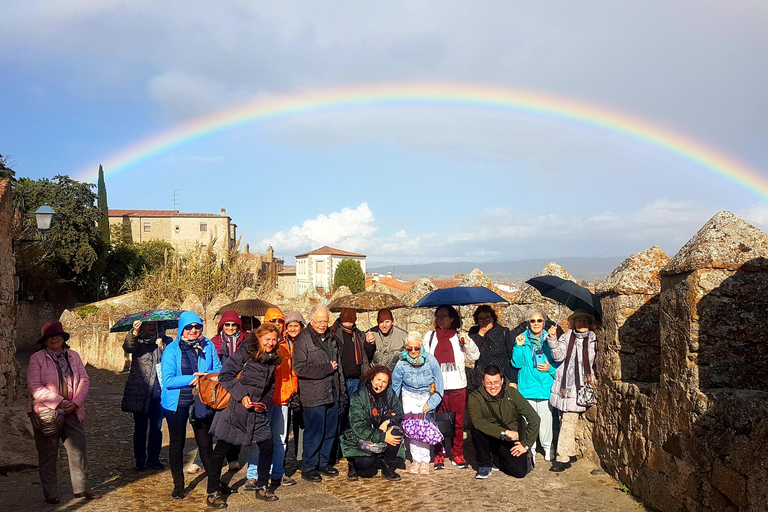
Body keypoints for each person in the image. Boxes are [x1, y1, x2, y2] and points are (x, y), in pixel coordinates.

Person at [208, 323, 282, 507]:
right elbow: (225, 375)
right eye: (267, 339)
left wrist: (263, 404)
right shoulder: (244, 353)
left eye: (274, 339)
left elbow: (270, 387)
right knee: (221, 450)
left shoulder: (273, 359)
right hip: (235, 410)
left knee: (267, 447)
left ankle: (262, 486)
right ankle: (213, 491)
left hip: (257, 412)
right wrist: (243, 396)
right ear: (258, 338)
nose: (271, 343)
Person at [28, 322, 101, 505]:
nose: (54, 338)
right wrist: (60, 402)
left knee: (78, 451)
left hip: (72, 412)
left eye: (57, 335)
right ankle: (50, 492)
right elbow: (35, 387)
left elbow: (84, 379)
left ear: (63, 338)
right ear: (44, 341)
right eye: (50, 336)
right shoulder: (37, 358)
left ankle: (83, 488)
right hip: (47, 414)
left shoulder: (73, 356)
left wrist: (76, 402)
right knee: (48, 454)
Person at [161, 311, 221, 500]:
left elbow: (218, 369)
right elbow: (168, 381)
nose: (193, 330)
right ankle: (178, 485)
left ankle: (214, 484)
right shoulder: (172, 349)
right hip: (176, 402)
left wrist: (207, 376)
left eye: (197, 327)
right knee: (177, 444)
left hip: (201, 400)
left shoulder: (208, 345)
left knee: (205, 444)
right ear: (182, 329)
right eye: (189, 327)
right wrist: (194, 378)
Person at [188, 310, 250, 475]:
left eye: (234, 324)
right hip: (215, 388)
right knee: (208, 423)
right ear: (222, 326)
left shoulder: (246, 341)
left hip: (237, 385)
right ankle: (201, 460)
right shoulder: (213, 342)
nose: (230, 327)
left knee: (233, 423)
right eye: (227, 324)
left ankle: (232, 457)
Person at [242, 308, 298, 489]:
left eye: (280, 321)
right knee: (257, 439)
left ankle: (278, 473)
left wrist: (292, 391)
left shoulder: (286, 347)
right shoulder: (258, 347)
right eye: (273, 321)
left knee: (280, 439)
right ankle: (253, 474)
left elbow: (291, 374)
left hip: (281, 400)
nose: (277, 324)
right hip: (261, 400)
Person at [293, 304, 347, 483]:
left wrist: (342, 392)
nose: (323, 325)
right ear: (311, 320)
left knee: (330, 431)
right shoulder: (303, 339)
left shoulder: (332, 339)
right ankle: (309, 466)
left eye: (325, 321)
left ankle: (324, 462)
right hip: (313, 394)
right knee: (314, 432)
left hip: (332, 392)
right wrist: (326, 368)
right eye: (319, 322)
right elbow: (299, 368)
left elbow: (338, 368)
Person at [423, 306, 479, 470]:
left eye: (444, 316)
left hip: (456, 386)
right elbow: (426, 359)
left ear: (452, 318)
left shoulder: (460, 337)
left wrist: (467, 344)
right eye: (438, 316)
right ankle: (439, 453)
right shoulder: (430, 336)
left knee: (458, 422)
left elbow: (475, 356)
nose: (440, 319)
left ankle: (457, 453)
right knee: (437, 422)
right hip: (438, 388)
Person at [467, 365, 540, 479]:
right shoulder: (475, 397)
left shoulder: (512, 393)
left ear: (502, 380)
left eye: (496, 382)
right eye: (489, 383)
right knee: (476, 430)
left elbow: (534, 418)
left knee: (520, 472)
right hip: (489, 435)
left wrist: (525, 444)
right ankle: (484, 464)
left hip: (509, 438)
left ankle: (495, 459)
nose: (493, 387)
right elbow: (478, 421)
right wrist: (504, 432)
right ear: (483, 382)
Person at [548, 310, 597, 472]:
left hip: (580, 386)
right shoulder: (566, 337)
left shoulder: (593, 339)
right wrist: (553, 339)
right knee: (564, 419)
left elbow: (590, 360)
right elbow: (558, 357)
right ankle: (571, 452)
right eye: (579, 320)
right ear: (573, 322)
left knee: (568, 420)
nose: (582, 323)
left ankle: (562, 458)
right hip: (564, 385)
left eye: (585, 320)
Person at [121, 320, 171, 471]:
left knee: (156, 428)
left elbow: (173, 357)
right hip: (140, 391)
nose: (151, 327)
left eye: (154, 325)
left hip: (158, 392)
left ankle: (153, 459)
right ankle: (140, 460)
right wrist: (134, 333)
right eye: (148, 325)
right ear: (142, 327)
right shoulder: (138, 341)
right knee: (140, 428)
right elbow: (128, 347)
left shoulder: (167, 341)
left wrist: (163, 347)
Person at [392, 331, 444, 475]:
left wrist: (432, 403)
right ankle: (415, 459)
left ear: (421, 346)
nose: (413, 351)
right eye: (410, 349)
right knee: (412, 429)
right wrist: (395, 406)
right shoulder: (401, 363)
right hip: (408, 396)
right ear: (406, 348)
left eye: (416, 348)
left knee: (424, 428)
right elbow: (396, 386)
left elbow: (439, 385)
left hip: (425, 396)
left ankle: (425, 461)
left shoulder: (431, 361)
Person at [340, 365, 404, 481]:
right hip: (360, 438)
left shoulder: (390, 394)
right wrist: (383, 436)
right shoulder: (359, 397)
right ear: (372, 379)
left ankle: (386, 464)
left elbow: (399, 414)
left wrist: (387, 421)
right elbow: (359, 427)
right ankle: (353, 463)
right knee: (366, 466)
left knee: (395, 433)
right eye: (378, 380)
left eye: (384, 382)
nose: (380, 384)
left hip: (380, 433)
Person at [511, 310, 558, 462]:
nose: (536, 324)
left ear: (544, 323)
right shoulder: (521, 340)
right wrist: (518, 346)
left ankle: (547, 447)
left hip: (544, 387)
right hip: (527, 388)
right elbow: (516, 363)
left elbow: (558, 364)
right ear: (528, 323)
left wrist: (549, 368)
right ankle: (529, 448)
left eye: (539, 321)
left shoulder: (549, 340)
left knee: (546, 421)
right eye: (533, 321)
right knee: (527, 422)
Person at [468, 305, 516, 392]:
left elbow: (511, 357)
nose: (485, 320)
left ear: (493, 318)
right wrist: (481, 334)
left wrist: (513, 380)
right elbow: (471, 351)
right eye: (481, 318)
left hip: (500, 378)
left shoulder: (503, 331)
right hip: (480, 378)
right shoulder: (474, 332)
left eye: (487, 317)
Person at [282, 312, 305, 473]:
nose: (293, 329)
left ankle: (300, 457)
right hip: (285, 389)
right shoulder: (282, 345)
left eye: (296, 325)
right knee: (283, 428)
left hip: (302, 389)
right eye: (289, 326)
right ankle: (280, 460)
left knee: (300, 425)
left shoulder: (306, 343)